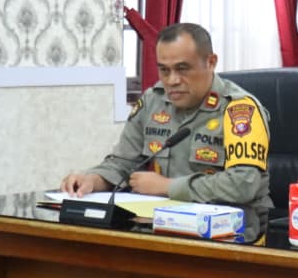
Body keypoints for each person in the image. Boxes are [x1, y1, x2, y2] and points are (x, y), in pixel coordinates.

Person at [60, 22, 272, 242]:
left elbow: (242, 184)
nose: (172, 80)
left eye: (182, 69)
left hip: (224, 237)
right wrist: (93, 179)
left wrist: (168, 187)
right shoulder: (153, 101)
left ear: (211, 62)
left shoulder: (240, 110)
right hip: (155, 230)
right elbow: (123, 162)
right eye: (164, 70)